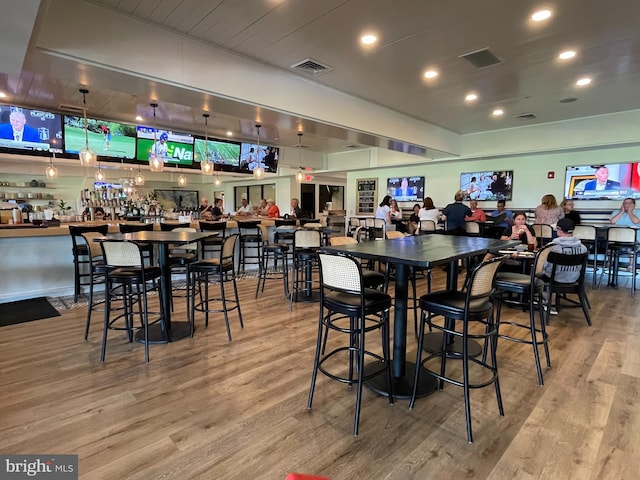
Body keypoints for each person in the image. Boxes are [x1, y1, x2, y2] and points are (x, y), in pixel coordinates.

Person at [540, 218, 588, 315]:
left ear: (558, 229)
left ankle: (548, 301)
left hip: (554, 278)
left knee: (538, 276)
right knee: (552, 275)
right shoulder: (583, 248)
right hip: (574, 278)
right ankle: (550, 303)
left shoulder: (553, 247)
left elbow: (545, 266)